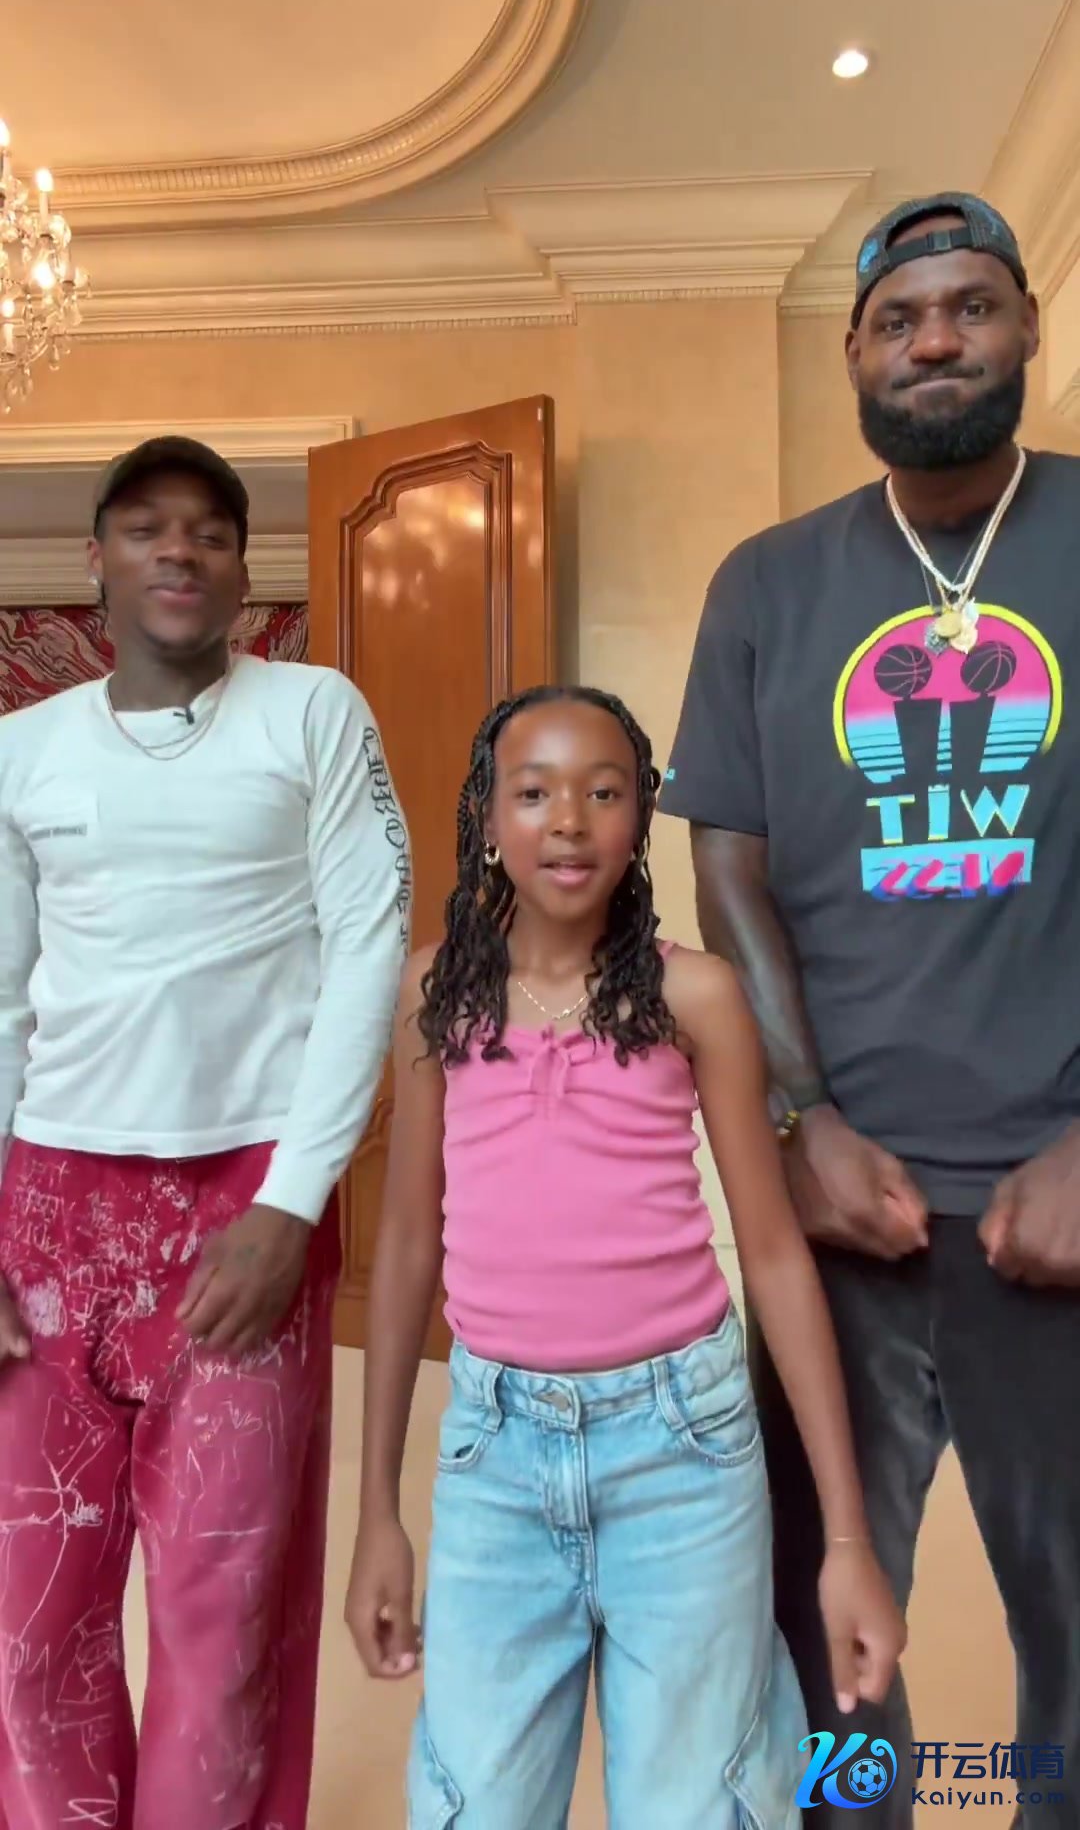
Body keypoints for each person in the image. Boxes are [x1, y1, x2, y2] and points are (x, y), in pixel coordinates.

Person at [661, 194, 1080, 1825]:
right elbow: (730, 869)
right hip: (846, 1215)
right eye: (900, 319)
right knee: (822, 1629)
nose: (935, 341)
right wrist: (802, 1120)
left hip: (1063, 1194)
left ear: (1026, 327)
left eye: (971, 307)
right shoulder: (769, 583)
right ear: (853, 352)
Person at [346, 682, 903, 1828]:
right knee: (476, 1803)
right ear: (485, 814)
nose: (568, 820)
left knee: (697, 1803)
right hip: (496, 1455)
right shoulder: (436, 995)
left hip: (684, 1452)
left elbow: (774, 1256)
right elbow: (404, 1245)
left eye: (603, 793)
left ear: (641, 814)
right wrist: (377, 1517)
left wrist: (847, 1537)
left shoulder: (696, 994)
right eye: (534, 792)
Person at [0, 436, 409, 1830]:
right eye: (145, 528)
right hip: (47, 1205)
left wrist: (293, 1205)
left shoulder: (313, 712)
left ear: (242, 569)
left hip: (248, 1195)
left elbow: (368, 950)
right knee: (30, 1620)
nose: (178, 550)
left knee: (223, 1615)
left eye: (211, 532)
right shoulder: (23, 750)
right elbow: (1, 998)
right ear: (96, 562)